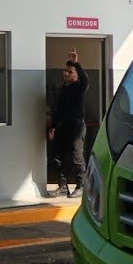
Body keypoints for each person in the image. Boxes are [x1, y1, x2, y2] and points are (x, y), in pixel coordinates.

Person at [46, 48, 88, 198]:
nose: (65, 74)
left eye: (70, 72)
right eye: (65, 71)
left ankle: (81, 186)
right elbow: (59, 110)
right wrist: (53, 126)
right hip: (63, 126)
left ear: (76, 75)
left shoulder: (78, 87)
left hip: (76, 126)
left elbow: (85, 81)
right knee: (58, 157)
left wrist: (76, 63)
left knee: (77, 156)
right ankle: (62, 186)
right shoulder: (63, 88)